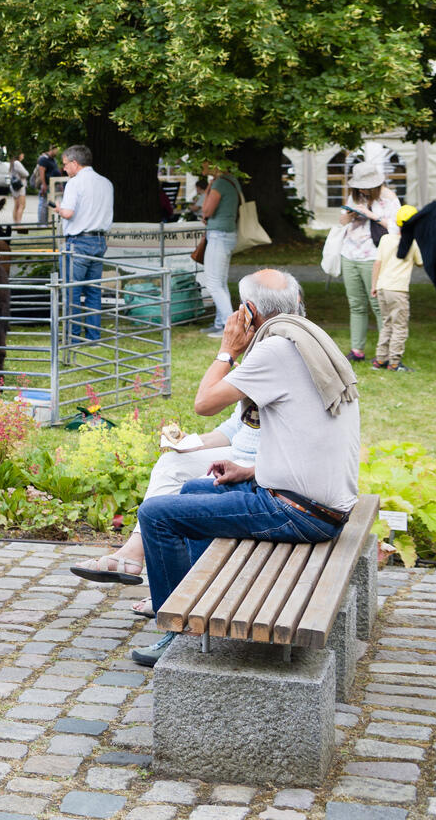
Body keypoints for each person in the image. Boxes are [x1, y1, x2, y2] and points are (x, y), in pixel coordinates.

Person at [127, 269, 359, 666]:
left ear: (249, 312)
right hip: (320, 503)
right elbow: (307, 441)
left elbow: (204, 403)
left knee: (155, 514)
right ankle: (201, 601)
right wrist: (249, 471)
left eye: (239, 309)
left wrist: (226, 349)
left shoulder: (277, 351)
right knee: (194, 492)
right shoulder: (311, 342)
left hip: (298, 513)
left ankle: (177, 631)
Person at [70, 403, 261, 614]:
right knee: (171, 463)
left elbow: (203, 402)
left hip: (263, 462)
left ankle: (175, 594)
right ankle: (133, 553)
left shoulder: (268, 373)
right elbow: (234, 428)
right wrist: (190, 443)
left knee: (195, 488)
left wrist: (224, 367)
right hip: (242, 451)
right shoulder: (251, 374)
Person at [336, 160, 399, 361]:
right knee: (356, 305)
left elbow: (396, 227)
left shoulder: (389, 199)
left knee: (378, 305)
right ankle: (357, 350)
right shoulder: (355, 196)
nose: (362, 189)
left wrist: (371, 215)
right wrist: (351, 213)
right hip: (349, 254)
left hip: (373, 256)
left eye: (366, 186)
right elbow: (342, 222)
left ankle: (385, 353)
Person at [54, 145, 115, 345]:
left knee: (72, 291)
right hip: (99, 240)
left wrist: (59, 209)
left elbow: (69, 213)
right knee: (93, 290)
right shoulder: (106, 182)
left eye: (65, 164)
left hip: (79, 241)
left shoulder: (75, 183)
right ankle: (93, 337)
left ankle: (72, 336)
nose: (64, 169)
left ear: (74, 163)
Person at [372, 204, 420, 372]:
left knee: (387, 323)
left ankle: (380, 359)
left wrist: (374, 285)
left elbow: (377, 263)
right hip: (398, 290)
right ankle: (394, 362)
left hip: (383, 287)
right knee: (400, 326)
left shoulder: (385, 239)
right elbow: (420, 262)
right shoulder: (413, 243)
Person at [198, 168, 243, 338]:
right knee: (221, 283)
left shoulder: (219, 183)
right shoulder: (233, 180)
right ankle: (220, 323)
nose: (203, 166)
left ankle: (228, 327)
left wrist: (209, 188)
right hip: (228, 234)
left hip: (218, 236)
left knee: (214, 284)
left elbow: (207, 211)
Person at [7, 152, 31, 224]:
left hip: (14, 186)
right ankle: (18, 223)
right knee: (22, 205)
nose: (23, 155)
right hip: (20, 187)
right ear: (19, 155)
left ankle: (15, 222)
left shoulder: (12, 162)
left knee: (16, 205)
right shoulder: (17, 163)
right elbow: (26, 173)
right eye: (22, 154)